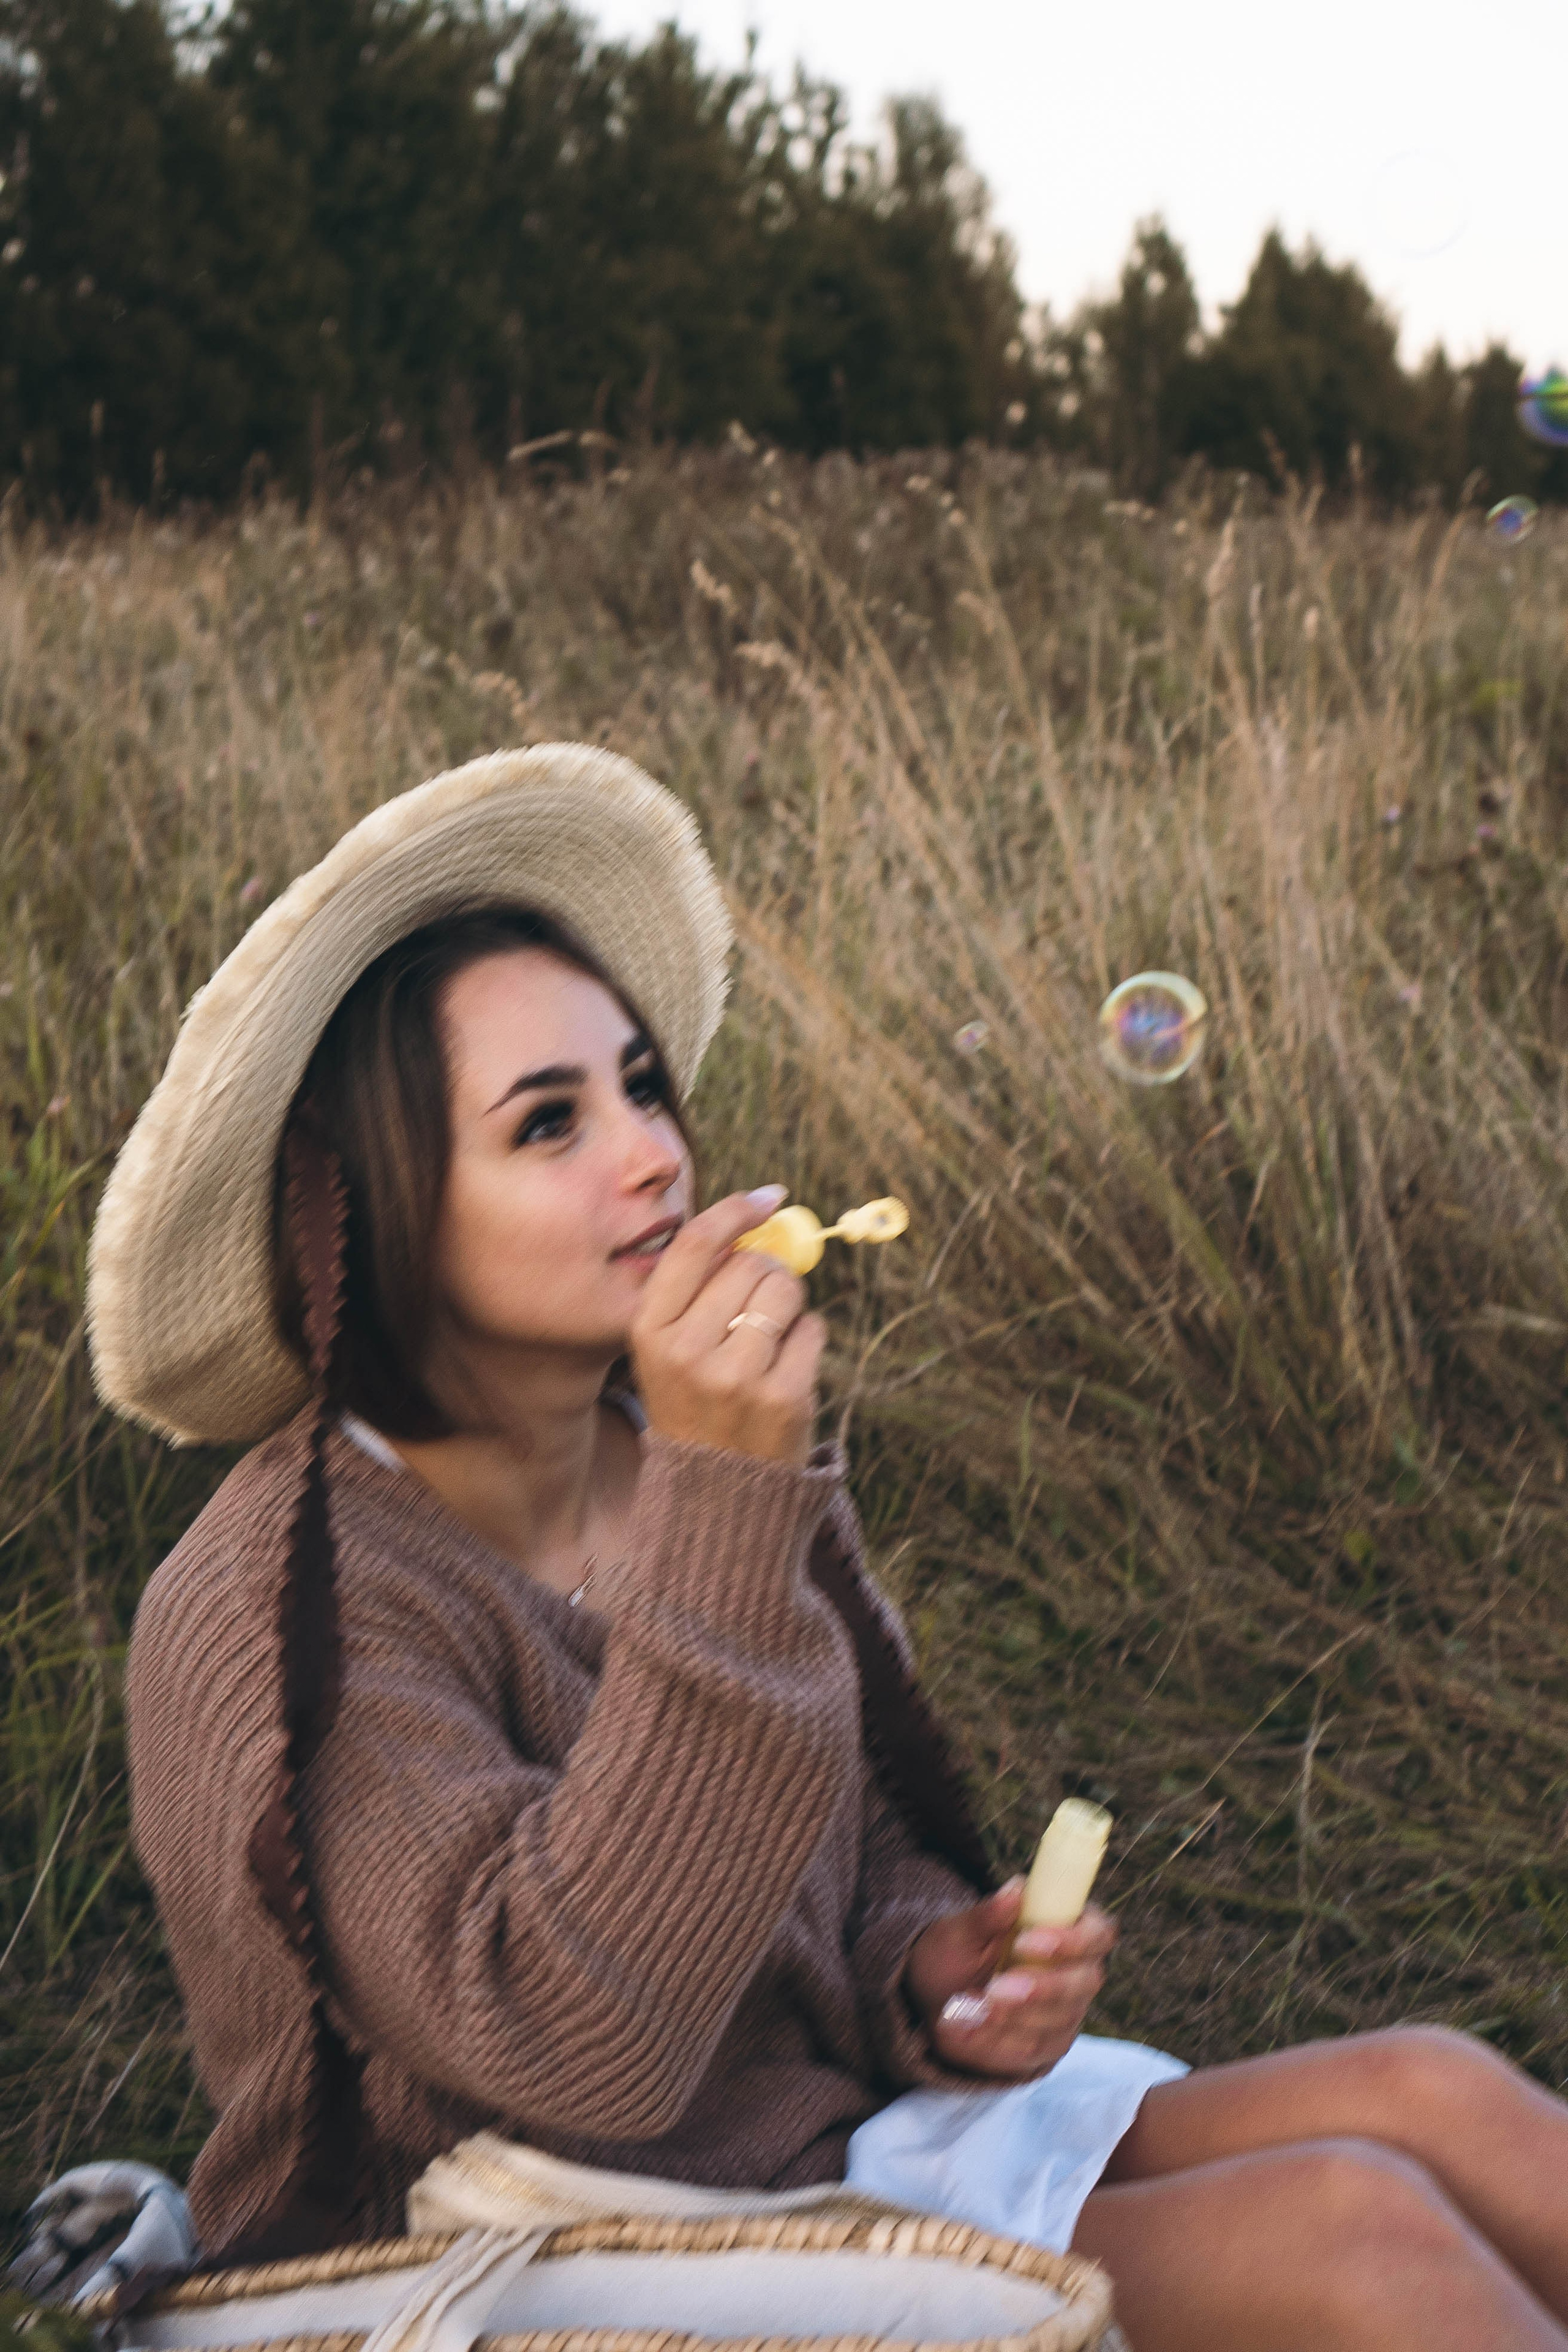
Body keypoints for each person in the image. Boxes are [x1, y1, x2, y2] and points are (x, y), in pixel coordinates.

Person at [67, 745, 1568, 2352]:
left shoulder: (679, 1455)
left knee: (1435, 2093)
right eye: (549, 1123)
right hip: (514, 2233)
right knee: (1353, 2240)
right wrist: (729, 1506)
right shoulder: (286, 1603)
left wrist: (923, 1965)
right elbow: (588, 2051)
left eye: (643, 1085)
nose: (651, 1151)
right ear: (377, 1212)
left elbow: (845, 1834)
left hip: (819, 2139)